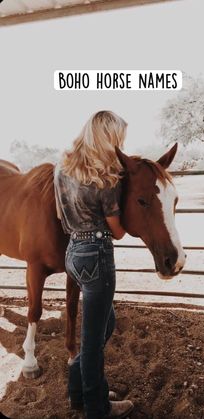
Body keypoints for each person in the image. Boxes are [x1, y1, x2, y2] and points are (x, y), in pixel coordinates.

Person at [54, 111, 134, 419]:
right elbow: (118, 232)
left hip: (73, 251)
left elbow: (62, 216)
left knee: (105, 324)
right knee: (92, 344)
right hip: (97, 253)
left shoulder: (62, 167)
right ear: (110, 138)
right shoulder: (108, 175)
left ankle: (82, 391)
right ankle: (97, 407)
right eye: (119, 139)